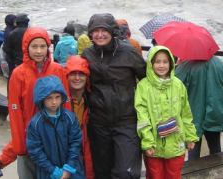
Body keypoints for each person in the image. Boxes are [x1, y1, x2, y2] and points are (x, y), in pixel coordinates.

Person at [0, 27, 71, 179]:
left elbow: (66, 108)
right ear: (26, 47)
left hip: (54, 142)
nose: (39, 51)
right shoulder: (18, 74)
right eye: (34, 46)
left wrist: (66, 139)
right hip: (29, 143)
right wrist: (16, 150)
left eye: (42, 46)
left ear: (48, 47)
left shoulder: (58, 70)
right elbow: (15, 114)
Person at [81, 13, 146, 179]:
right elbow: (77, 80)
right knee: (101, 171)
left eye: (105, 30)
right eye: (96, 30)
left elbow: (147, 81)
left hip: (126, 121)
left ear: (113, 31)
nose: (100, 34)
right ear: (90, 33)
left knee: (126, 172)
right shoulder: (87, 55)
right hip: (98, 123)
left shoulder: (129, 52)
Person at [134, 45, 198, 179]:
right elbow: (142, 117)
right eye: (157, 61)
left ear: (171, 63)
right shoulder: (143, 86)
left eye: (165, 61)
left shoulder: (178, 85)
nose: (161, 65)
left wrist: (190, 136)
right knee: (154, 175)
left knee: (174, 175)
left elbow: (186, 113)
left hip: (175, 144)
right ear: (151, 64)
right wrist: (147, 141)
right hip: (154, 146)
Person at [26, 75, 85, 179]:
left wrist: (69, 167)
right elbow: (35, 150)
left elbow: (76, 142)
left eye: (57, 97)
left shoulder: (70, 118)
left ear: (62, 97)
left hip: (72, 171)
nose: (54, 102)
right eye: (49, 98)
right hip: (48, 173)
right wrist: (52, 170)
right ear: (41, 99)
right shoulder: (35, 123)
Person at [175, 56, 223, 160]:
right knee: (215, 148)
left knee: (193, 149)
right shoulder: (219, 64)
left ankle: (193, 175)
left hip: (193, 114)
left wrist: (178, 66)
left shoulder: (187, 65)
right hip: (214, 113)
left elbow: (175, 85)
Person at [65, 56, 94, 179]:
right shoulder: (58, 102)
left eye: (81, 74)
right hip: (67, 159)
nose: (77, 78)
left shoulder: (92, 101)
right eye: (73, 74)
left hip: (87, 157)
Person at [3, 13, 30, 78]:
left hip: (15, 61)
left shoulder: (12, 33)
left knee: (13, 77)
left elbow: (6, 49)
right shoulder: (30, 32)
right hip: (28, 60)